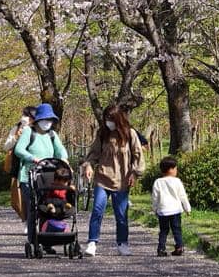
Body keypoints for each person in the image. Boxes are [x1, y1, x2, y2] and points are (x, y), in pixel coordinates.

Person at [81, 105, 144, 257]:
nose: (108, 122)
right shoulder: (102, 134)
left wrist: (135, 173)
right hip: (103, 178)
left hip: (122, 180)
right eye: (106, 119)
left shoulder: (130, 134)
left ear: (118, 119)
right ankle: (92, 242)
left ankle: (122, 243)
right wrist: (89, 165)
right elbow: (94, 153)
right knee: (97, 210)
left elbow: (138, 155)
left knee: (121, 214)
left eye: (111, 119)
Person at [14, 102, 69, 254]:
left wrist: (64, 159)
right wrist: (32, 158)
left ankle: (46, 241)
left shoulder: (52, 134)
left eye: (50, 120)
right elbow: (19, 150)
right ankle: (33, 240)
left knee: (47, 207)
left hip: (48, 176)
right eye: (45, 119)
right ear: (38, 120)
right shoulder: (28, 132)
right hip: (29, 176)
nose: (47, 123)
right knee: (33, 208)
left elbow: (61, 150)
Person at [151, 156, 191, 257]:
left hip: (163, 211)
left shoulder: (158, 182)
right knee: (176, 229)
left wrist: (154, 209)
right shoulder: (177, 181)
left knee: (163, 230)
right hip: (175, 210)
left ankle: (161, 249)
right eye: (176, 168)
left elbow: (155, 197)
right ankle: (179, 247)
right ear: (171, 169)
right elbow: (183, 196)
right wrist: (187, 208)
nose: (176, 170)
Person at [3, 106, 37, 221]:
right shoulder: (17, 128)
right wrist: (17, 136)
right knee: (17, 197)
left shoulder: (38, 130)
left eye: (28, 115)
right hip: (17, 166)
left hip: (34, 165)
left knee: (33, 195)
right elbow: (6, 146)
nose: (24, 118)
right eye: (24, 114)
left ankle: (32, 220)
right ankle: (26, 219)